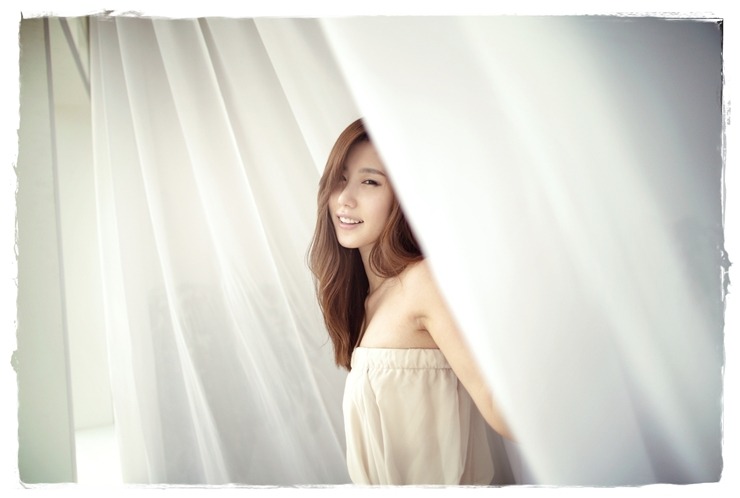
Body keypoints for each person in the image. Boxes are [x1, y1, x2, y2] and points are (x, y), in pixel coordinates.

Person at [309, 118, 512, 485]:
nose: (345, 199)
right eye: (340, 178)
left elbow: (500, 409)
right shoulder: (369, 299)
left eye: (369, 182)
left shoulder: (424, 281)